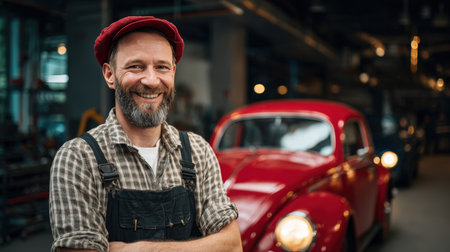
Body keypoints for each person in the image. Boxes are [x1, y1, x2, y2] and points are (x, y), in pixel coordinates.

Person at [49, 16, 241, 252]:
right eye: (136, 66)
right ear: (110, 75)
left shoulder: (198, 151)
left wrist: (136, 249)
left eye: (161, 67)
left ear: (173, 73)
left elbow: (232, 245)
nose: (151, 80)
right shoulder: (78, 158)